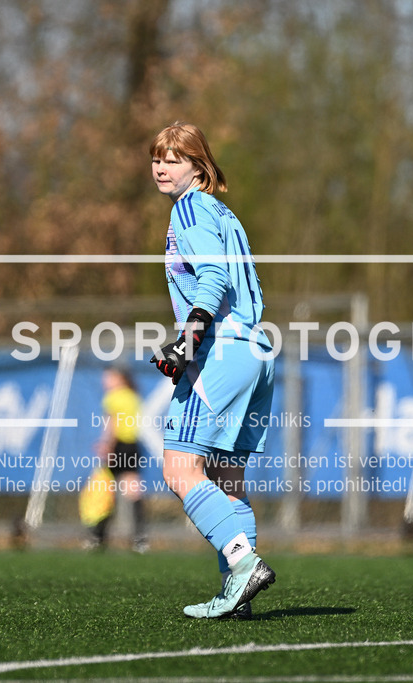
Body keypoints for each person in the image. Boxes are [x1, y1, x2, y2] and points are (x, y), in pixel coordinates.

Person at [148, 121, 276, 619]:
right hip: (256, 350)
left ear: (198, 166)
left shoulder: (188, 208)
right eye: (157, 157)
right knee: (226, 480)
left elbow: (215, 278)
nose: (161, 166)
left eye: (174, 158)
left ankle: (243, 565)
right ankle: (236, 596)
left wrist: (189, 337)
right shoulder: (224, 213)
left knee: (179, 468)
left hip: (221, 351)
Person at [86, 366, 149, 553]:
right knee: (133, 493)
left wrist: (106, 445)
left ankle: (98, 537)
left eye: (109, 378)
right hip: (132, 447)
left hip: (117, 446)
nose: (105, 382)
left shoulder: (112, 397)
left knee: (107, 492)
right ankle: (140, 538)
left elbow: (112, 425)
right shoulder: (134, 396)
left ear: (120, 379)